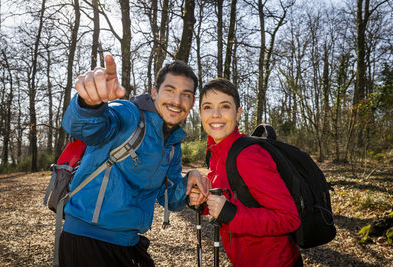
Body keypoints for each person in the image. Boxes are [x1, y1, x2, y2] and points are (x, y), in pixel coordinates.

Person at [59, 54, 209, 267]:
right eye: (170, 90)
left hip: (129, 241)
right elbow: (86, 127)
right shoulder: (129, 114)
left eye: (185, 95)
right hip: (87, 240)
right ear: (155, 92)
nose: (177, 101)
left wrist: (189, 182)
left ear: (192, 102)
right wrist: (89, 104)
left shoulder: (172, 145)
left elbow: (170, 198)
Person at [190, 78, 302, 267]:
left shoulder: (248, 155)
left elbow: (289, 219)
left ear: (238, 113)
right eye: (207, 107)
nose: (215, 114)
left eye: (225, 106)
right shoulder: (216, 152)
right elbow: (235, 196)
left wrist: (232, 215)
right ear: (200, 113)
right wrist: (203, 203)